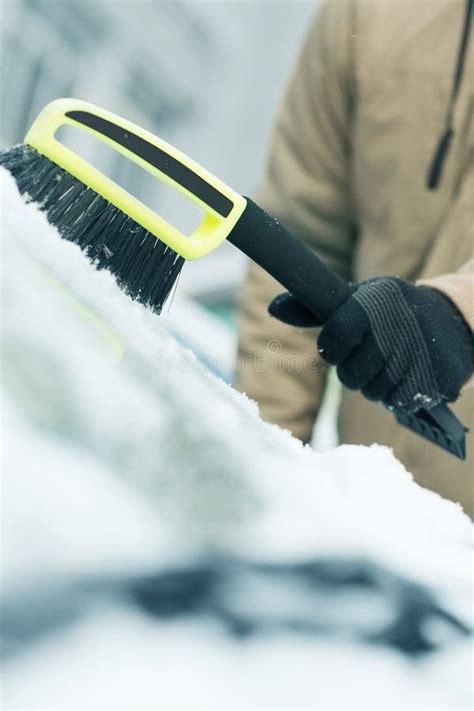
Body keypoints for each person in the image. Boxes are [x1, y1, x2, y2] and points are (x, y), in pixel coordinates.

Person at [236, 0, 474, 516]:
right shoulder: (365, 13)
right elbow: (297, 247)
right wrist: (263, 466)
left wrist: (461, 312)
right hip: (373, 516)